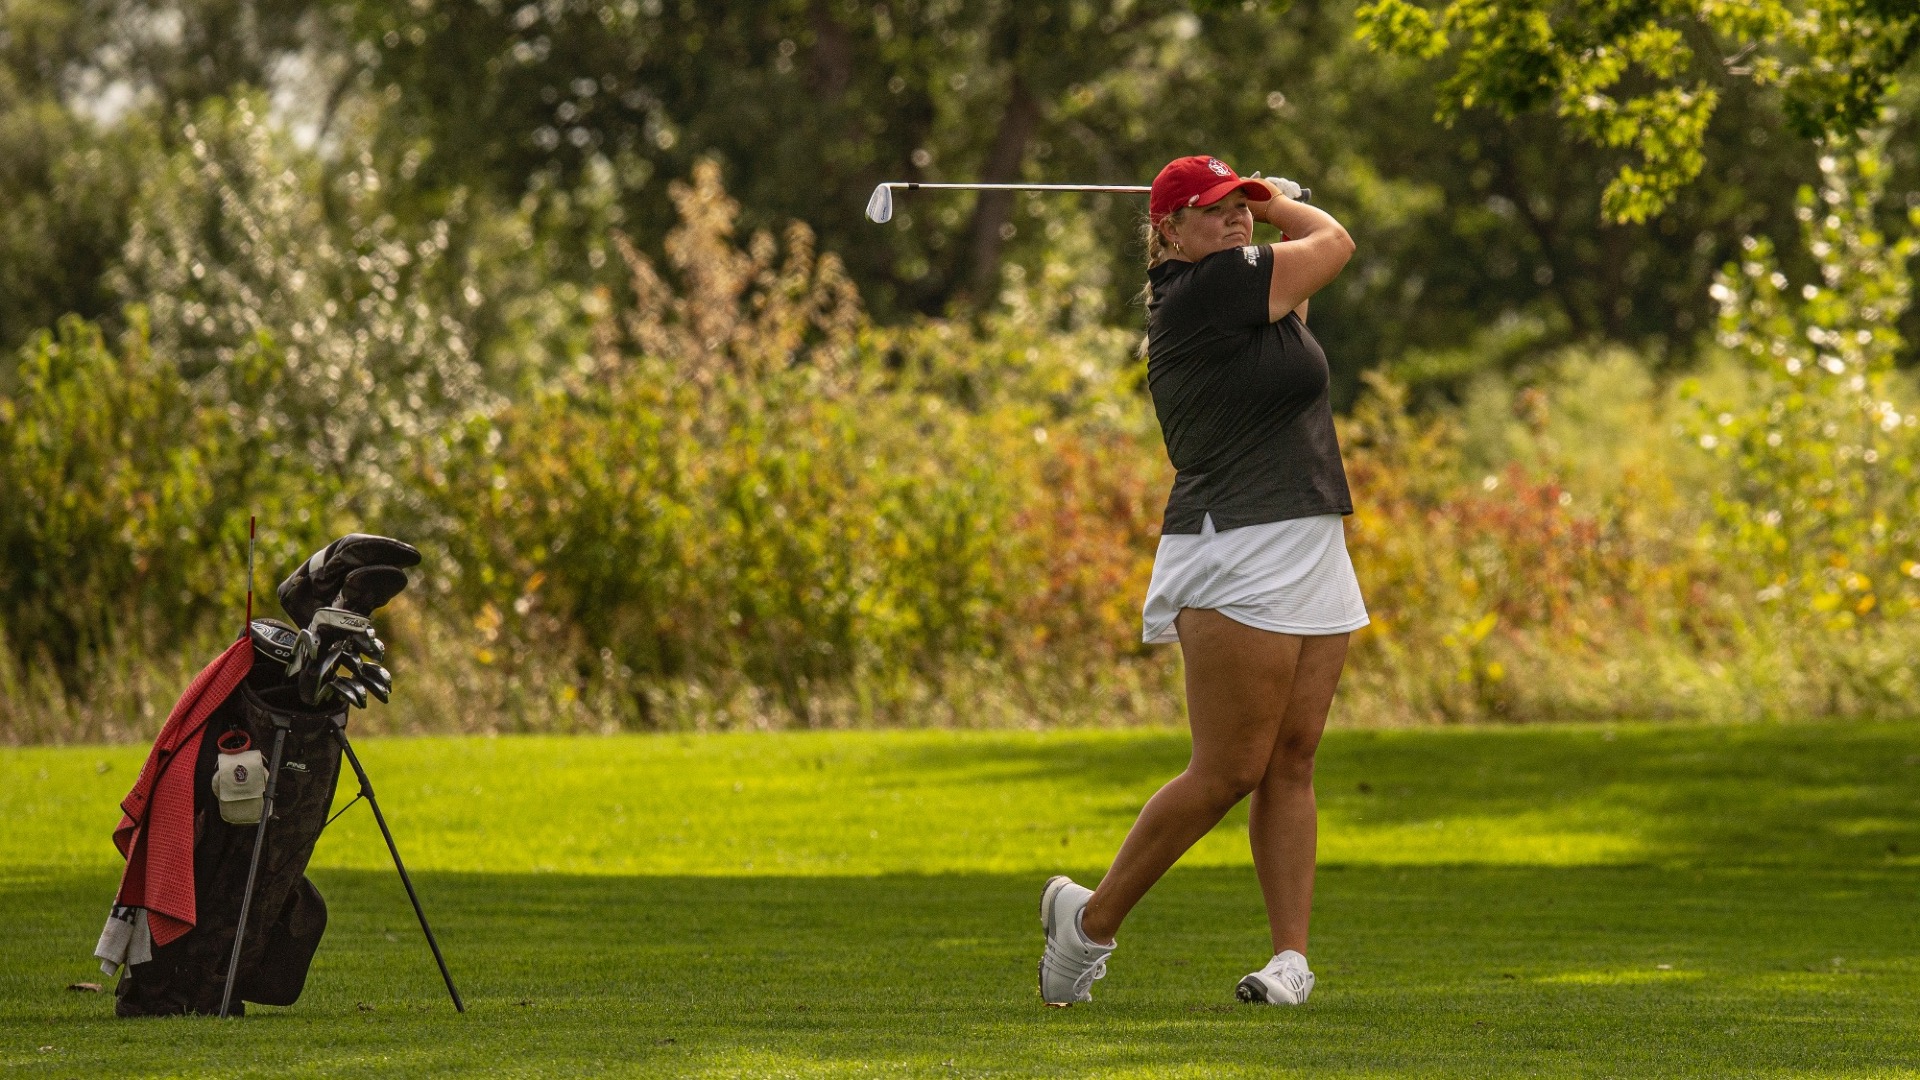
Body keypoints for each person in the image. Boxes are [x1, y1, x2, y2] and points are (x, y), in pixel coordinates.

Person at [1038, 155, 1364, 1008]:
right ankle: (1089, 925)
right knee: (1229, 769)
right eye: (1215, 208)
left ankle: (1290, 962)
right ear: (1169, 230)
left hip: (1310, 532)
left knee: (1292, 759)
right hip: (1237, 544)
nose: (1235, 218)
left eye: (1239, 206)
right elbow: (1335, 243)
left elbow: (1302, 286)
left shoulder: (1246, 288)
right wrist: (1284, 202)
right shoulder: (1207, 287)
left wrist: (1271, 207)